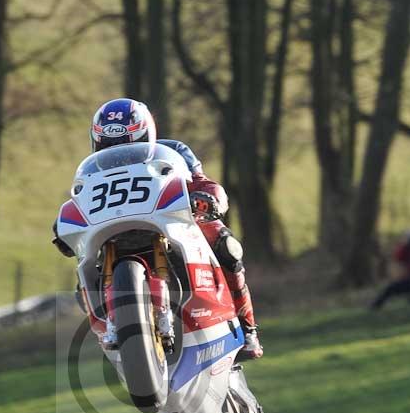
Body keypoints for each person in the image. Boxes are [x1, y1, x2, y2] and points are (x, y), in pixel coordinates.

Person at [53, 98, 263, 359]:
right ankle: (116, 336)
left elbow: (200, 181)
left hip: (168, 219)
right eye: (108, 145)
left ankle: (247, 327)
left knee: (225, 243)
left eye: (128, 144)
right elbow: (79, 200)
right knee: (82, 281)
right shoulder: (91, 169)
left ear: (146, 135)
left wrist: (209, 196)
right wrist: (64, 225)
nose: (118, 151)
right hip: (111, 233)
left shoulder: (174, 151)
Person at [371, 231, 410, 310]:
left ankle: (374, 306)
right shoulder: (406, 249)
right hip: (408, 280)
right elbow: (397, 257)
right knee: (391, 288)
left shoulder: (406, 248)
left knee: (391, 288)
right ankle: (374, 306)